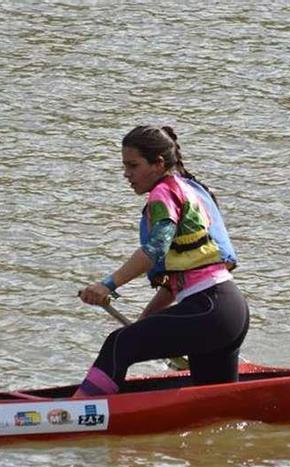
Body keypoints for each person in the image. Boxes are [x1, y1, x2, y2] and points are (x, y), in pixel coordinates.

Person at [75, 125, 249, 397]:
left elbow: (155, 249)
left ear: (158, 164)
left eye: (133, 165)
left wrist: (108, 285)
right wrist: (145, 323)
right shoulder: (188, 188)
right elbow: (175, 283)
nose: (126, 174)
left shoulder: (163, 195)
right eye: (124, 166)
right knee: (215, 407)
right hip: (227, 310)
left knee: (118, 345)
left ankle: (72, 414)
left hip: (208, 310)